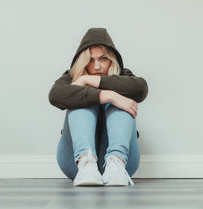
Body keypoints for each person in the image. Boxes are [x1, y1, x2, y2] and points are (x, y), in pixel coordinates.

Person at [49, 28, 148, 187]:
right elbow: (55, 95)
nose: (96, 66)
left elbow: (141, 89)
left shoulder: (124, 76)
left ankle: (116, 162)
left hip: (125, 163)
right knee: (81, 98)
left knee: (122, 98)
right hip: (74, 162)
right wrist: (108, 95)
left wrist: (94, 83)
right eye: (90, 60)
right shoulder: (72, 77)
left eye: (103, 58)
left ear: (112, 60)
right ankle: (86, 163)